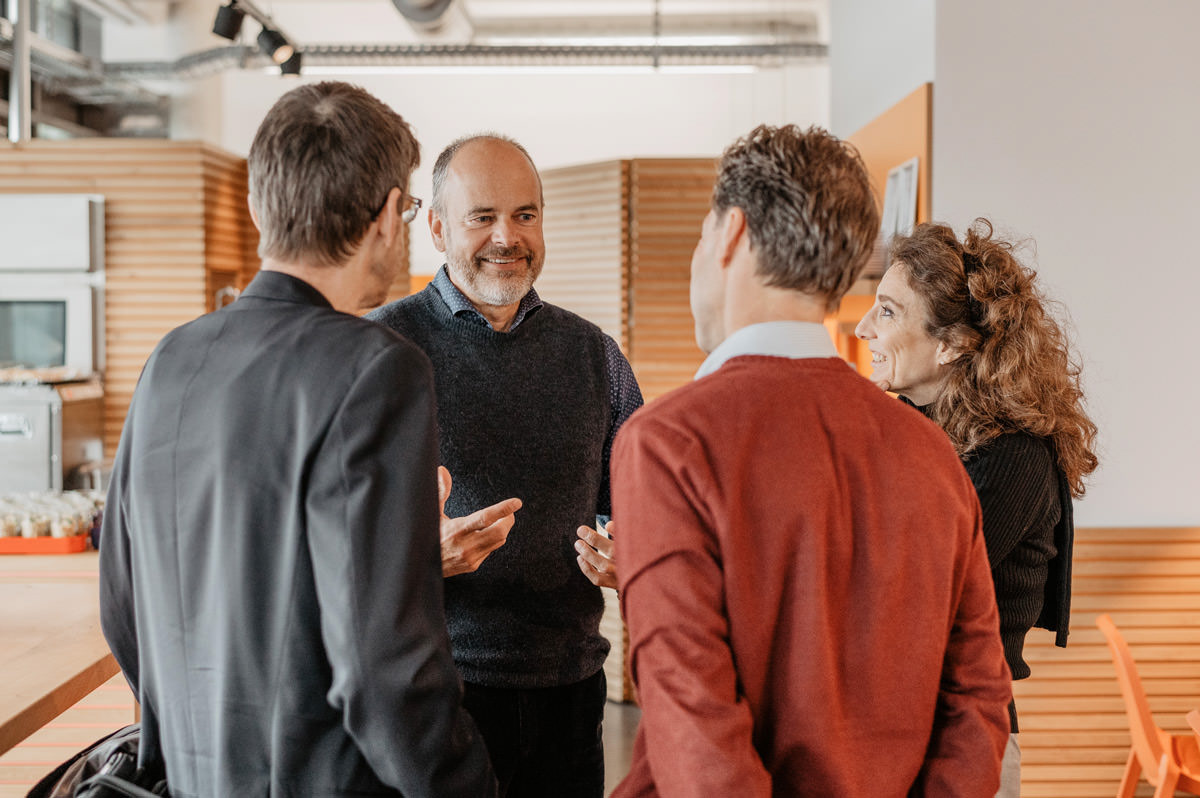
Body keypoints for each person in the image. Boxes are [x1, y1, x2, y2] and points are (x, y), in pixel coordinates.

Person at [98, 82, 503, 797]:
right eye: (409, 207)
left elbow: (124, 608)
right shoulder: (378, 368)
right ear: (386, 216)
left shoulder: (172, 359)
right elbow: (386, 667)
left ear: (261, 207)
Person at [610, 124, 1013, 798]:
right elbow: (978, 698)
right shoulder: (932, 453)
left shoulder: (669, 443)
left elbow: (696, 743)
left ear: (730, 233)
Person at [367, 133, 644, 797]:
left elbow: (638, 506)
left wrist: (633, 552)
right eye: (481, 216)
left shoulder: (594, 354)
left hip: (572, 694)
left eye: (524, 215)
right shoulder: (380, 348)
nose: (506, 237)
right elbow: (327, 540)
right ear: (436, 228)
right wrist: (416, 555)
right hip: (434, 690)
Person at [855, 218, 1099, 797]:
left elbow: (900, 593)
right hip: (889, 737)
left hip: (955, 746)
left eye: (887, 312)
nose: (863, 327)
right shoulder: (909, 435)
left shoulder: (1012, 458)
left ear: (953, 344)